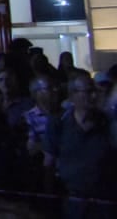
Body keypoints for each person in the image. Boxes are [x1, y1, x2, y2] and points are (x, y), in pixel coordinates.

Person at [44, 71, 117, 216]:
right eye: (88, 92)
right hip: (73, 200)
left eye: (95, 91)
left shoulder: (108, 123)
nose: (94, 96)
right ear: (72, 95)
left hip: (105, 200)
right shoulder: (59, 123)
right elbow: (48, 163)